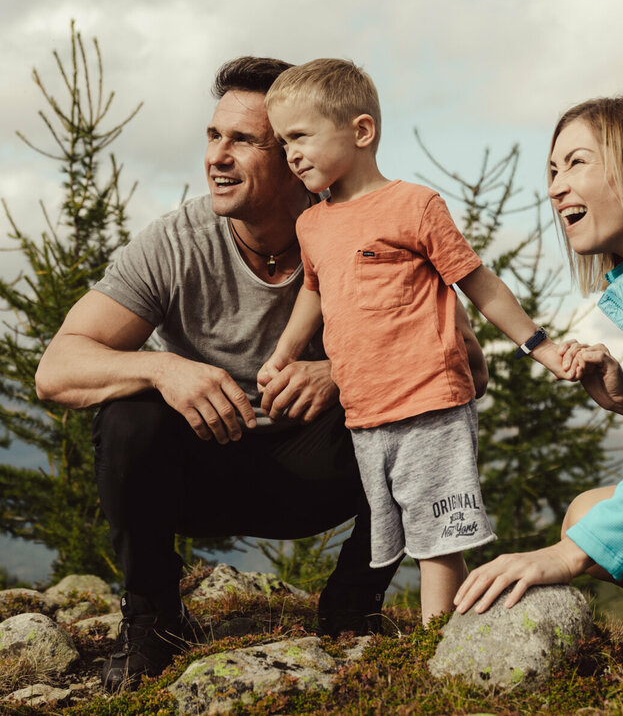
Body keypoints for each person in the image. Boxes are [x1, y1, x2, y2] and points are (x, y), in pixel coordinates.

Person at [35, 55, 485, 692]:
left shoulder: (373, 225)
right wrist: (164, 370)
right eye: (214, 136)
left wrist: (343, 372)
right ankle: (153, 628)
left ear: (295, 156)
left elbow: (471, 366)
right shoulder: (175, 243)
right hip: (202, 470)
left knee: (424, 408)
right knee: (128, 412)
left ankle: (352, 610)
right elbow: (57, 369)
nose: (218, 156)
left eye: (243, 140)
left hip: (320, 472)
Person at [259, 58, 573, 625]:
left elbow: (480, 283)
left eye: (301, 136)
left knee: (436, 536)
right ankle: (406, 627)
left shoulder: (415, 206)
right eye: (283, 143)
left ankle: (438, 641)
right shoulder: (312, 224)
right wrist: (283, 354)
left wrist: (541, 347)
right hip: (365, 408)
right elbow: (314, 291)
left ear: (360, 131)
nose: (292, 154)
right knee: (391, 527)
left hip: (430, 398)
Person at [454, 94, 623, 616]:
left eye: (577, 162)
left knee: (587, 535)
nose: (555, 186)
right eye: (552, 169)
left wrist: (566, 556)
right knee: (589, 514)